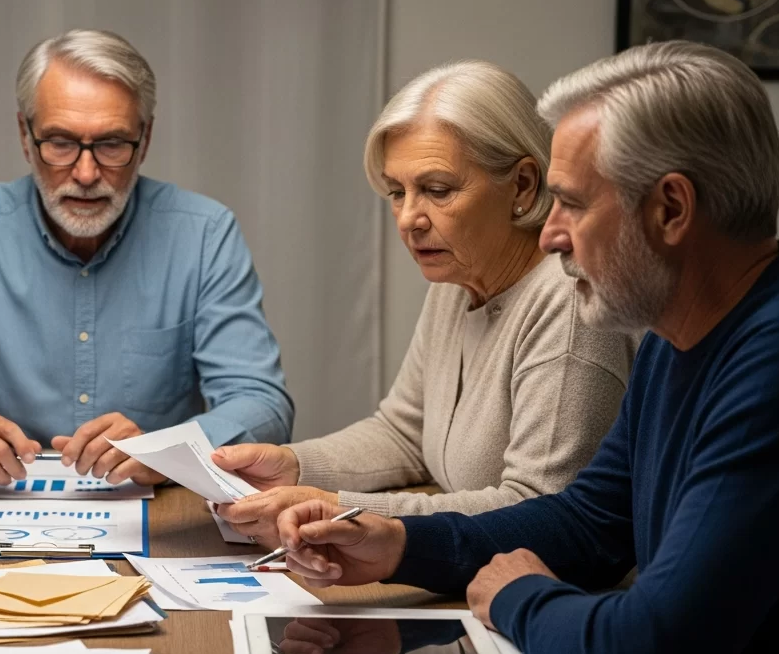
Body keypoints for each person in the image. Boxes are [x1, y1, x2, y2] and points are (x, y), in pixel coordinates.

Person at [275, 41, 779, 654]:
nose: (548, 234)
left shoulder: (769, 362)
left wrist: (518, 598)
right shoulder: (679, 330)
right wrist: (398, 546)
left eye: (571, 203)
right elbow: (590, 522)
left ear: (671, 208)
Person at [211, 61, 637, 544]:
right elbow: (403, 433)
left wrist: (338, 509)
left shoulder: (568, 303)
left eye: (437, 190)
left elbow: (535, 507)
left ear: (522, 185)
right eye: (397, 192)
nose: (410, 218)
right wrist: (293, 464)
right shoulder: (455, 281)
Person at [0, 29, 293, 489]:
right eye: (60, 142)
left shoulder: (204, 233)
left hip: (160, 515)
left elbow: (261, 403)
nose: (85, 173)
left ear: (146, 139)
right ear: (25, 135)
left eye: (112, 144)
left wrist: (169, 452)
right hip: (2, 507)